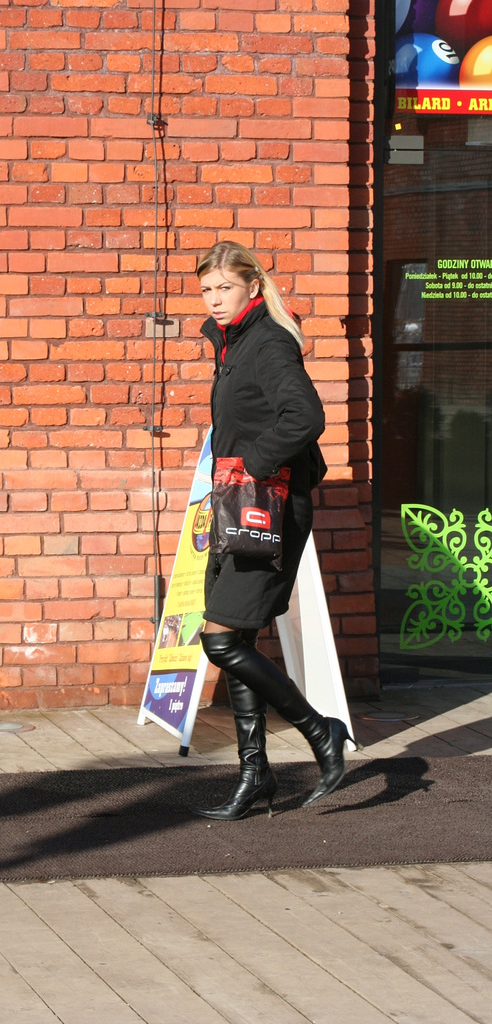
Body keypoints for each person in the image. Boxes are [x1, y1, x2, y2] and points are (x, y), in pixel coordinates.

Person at [193, 240, 354, 820]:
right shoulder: (233, 344)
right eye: (208, 290)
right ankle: (254, 775)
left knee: (220, 639)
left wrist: (256, 463)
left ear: (252, 288)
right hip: (240, 505)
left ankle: (320, 731)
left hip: (269, 506)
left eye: (225, 289)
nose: (214, 300)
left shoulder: (267, 342)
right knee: (238, 638)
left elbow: (306, 416)